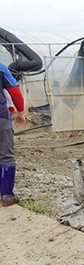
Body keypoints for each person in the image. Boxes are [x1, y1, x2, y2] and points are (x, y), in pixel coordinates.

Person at [1, 62, 26, 207]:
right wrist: (20, 111)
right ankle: (6, 195)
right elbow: (15, 92)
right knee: (6, 155)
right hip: (1, 118)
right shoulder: (1, 67)